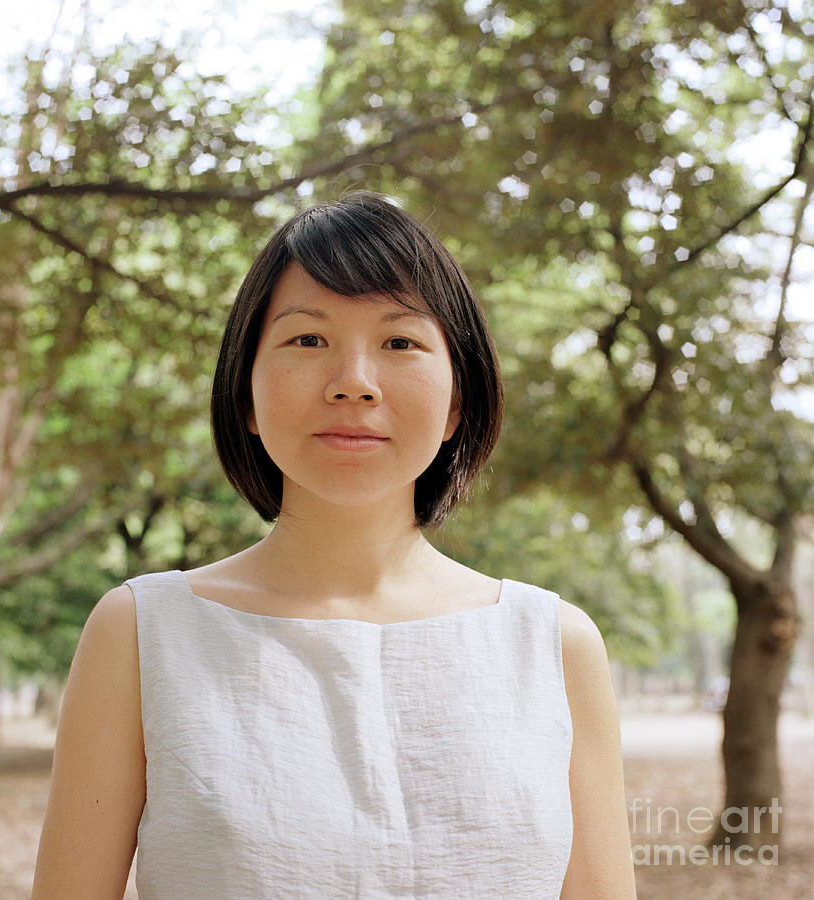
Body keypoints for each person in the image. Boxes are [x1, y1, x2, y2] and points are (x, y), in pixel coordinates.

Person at [32, 192, 636, 899]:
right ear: (247, 396)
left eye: (400, 342)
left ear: (457, 404)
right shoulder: (144, 632)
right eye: (308, 340)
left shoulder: (553, 645)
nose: (354, 383)